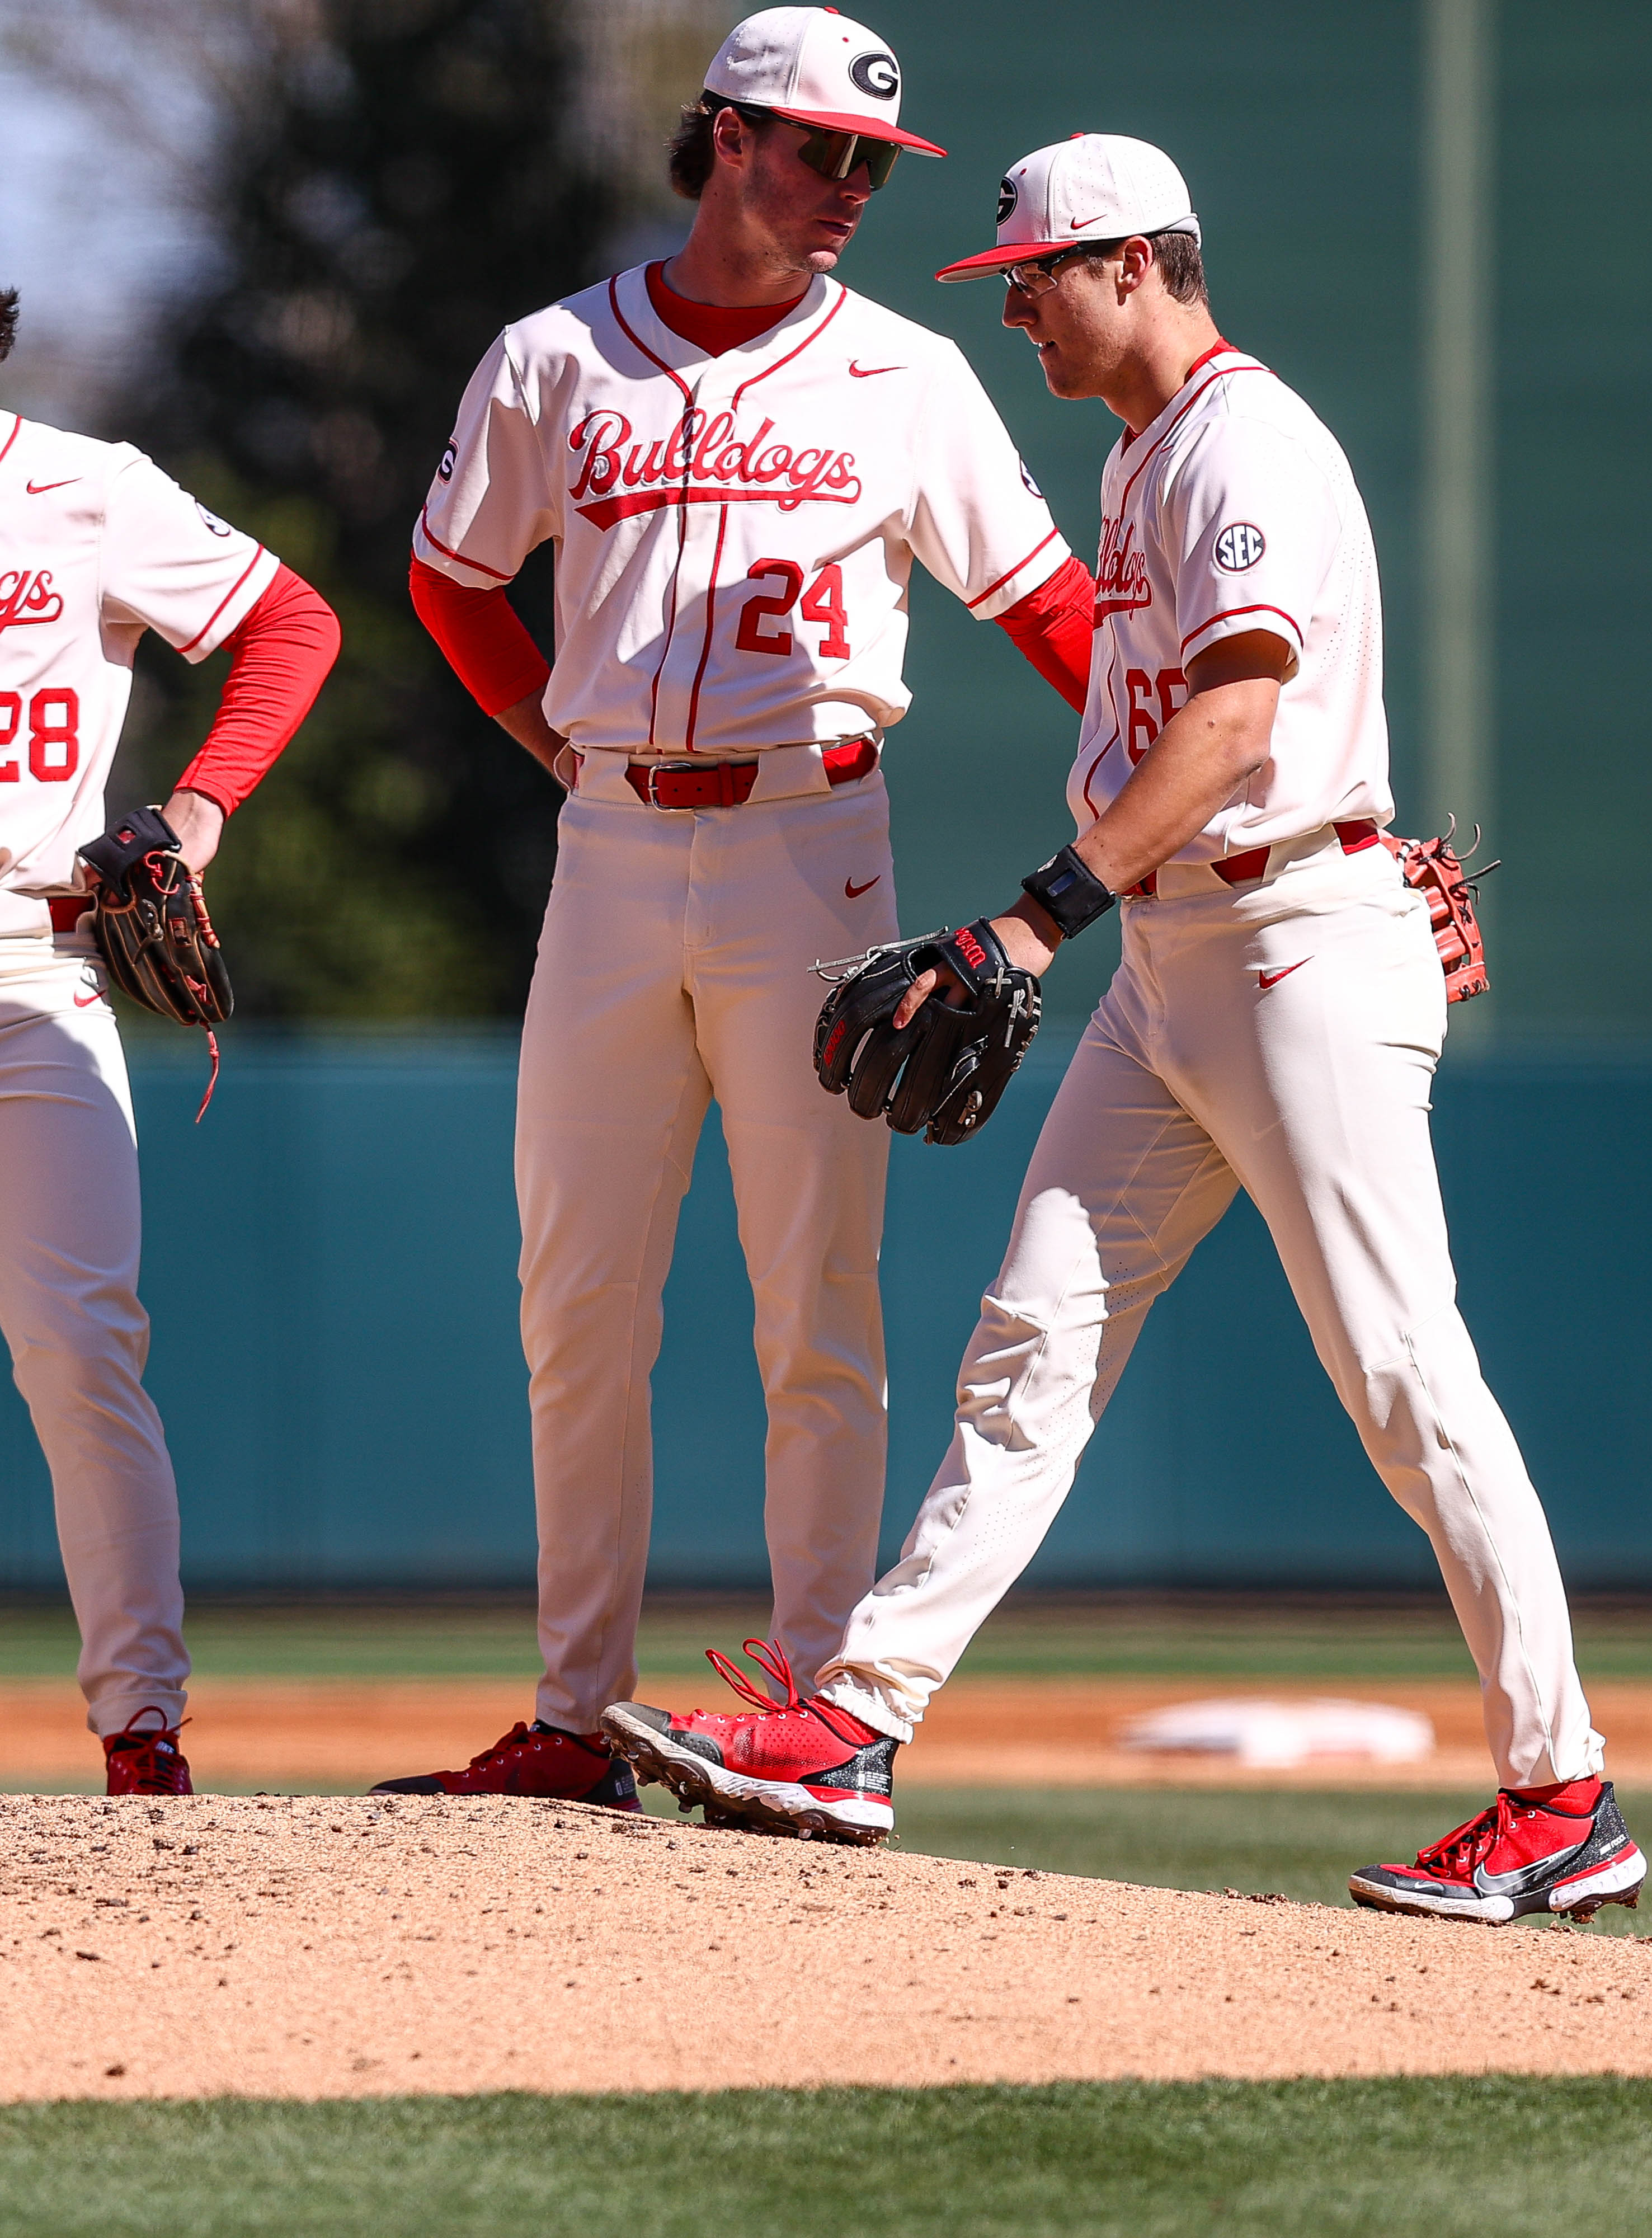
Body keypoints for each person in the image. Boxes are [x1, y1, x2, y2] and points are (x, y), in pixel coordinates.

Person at [601, 136, 1645, 1928]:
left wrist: (1037, 915)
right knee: (1030, 1350)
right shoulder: (1145, 451)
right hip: (1181, 962)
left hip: (1293, 945)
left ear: (1138, 266)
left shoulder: (1247, 440)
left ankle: (1561, 1798)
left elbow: (1242, 724)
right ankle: (854, 1722)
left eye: (1036, 276)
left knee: (1405, 1375)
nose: (1015, 307)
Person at [380, 6, 1092, 1807]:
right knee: (579, 1294)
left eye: (873, 159)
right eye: (814, 149)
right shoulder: (560, 358)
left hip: (812, 848)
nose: (848, 183)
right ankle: (572, 1709)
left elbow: (1057, 617)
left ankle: (806, 1703)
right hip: (611, 848)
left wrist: (1232, 786)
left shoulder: (911, 374)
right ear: (722, 139)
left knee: (815, 1300)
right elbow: (452, 577)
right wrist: (554, 743)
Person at [0, 170, 341, 1799]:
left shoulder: (86, 486)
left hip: (29, 961)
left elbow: (290, 625)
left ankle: (140, 1724)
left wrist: (195, 810)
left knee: (79, 1354)